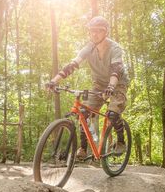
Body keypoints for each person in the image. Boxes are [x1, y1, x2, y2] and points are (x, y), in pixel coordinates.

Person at [45, 16, 129, 159]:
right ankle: (83, 148)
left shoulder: (115, 48)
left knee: (113, 114)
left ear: (105, 32)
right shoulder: (88, 48)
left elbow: (116, 70)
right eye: (91, 31)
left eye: (98, 31)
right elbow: (72, 65)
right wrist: (54, 81)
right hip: (99, 84)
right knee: (83, 112)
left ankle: (121, 141)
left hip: (117, 83)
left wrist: (111, 86)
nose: (94, 34)